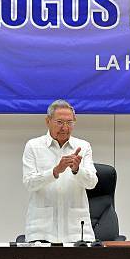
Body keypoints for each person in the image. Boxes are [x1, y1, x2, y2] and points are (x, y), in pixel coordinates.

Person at [22, 99, 98, 243]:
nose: (65, 127)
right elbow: (29, 183)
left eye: (70, 122)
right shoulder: (33, 146)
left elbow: (92, 183)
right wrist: (55, 172)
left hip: (77, 231)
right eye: (59, 122)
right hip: (42, 230)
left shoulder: (83, 146)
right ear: (48, 121)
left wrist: (76, 170)